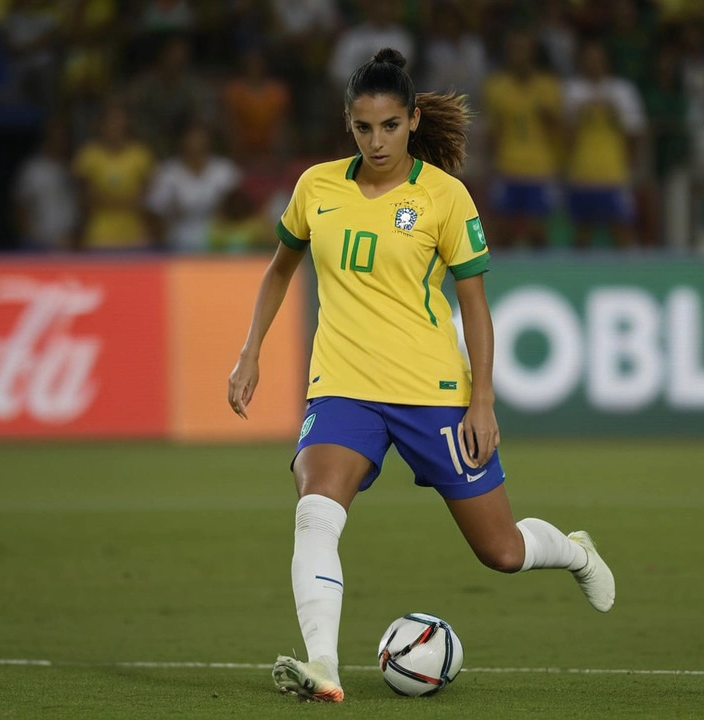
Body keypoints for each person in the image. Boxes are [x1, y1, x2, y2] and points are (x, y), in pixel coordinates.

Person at [226, 48, 615, 704]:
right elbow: (281, 267)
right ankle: (322, 663)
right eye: (362, 127)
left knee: (501, 552)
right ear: (347, 125)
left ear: (411, 120)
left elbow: (475, 303)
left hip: (432, 394)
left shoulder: (443, 195)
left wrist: (482, 399)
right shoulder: (315, 188)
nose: (376, 141)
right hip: (343, 386)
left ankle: (574, 551)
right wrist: (249, 351)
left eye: (388, 126)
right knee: (316, 509)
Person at [562, 41, 647, 249]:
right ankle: (576, 278)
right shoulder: (571, 91)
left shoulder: (623, 90)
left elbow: (634, 133)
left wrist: (631, 166)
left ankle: (631, 276)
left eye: (598, 58)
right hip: (581, 174)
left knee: (622, 229)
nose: (593, 63)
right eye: (589, 58)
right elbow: (564, 135)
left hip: (614, 174)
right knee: (582, 230)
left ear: (606, 60)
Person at [481, 30, 562, 249]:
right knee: (503, 231)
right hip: (507, 166)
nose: (520, 54)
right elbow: (493, 131)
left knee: (539, 232)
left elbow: (558, 130)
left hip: (540, 168)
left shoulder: (548, 86)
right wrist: (492, 165)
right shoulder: (496, 87)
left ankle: (543, 280)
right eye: (515, 49)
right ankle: (504, 279)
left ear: (533, 53)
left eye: (524, 49)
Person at [146, 123, 241, 253]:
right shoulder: (168, 173)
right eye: (191, 138)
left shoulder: (224, 170)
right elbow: (154, 211)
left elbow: (240, 207)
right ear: (182, 141)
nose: (196, 143)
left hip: (219, 240)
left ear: (208, 140)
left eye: (200, 138)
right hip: (177, 241)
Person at [72, 102, 156, 250]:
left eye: (119, 121)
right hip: (100, 234)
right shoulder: (89, 155)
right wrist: (127, 200)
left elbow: (148, 197)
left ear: (127, 124)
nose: (115, 126)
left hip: (134, 234)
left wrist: (108, 200)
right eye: (110, 121)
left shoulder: (140, 154)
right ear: (101, 125)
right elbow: (86, 198)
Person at [13, 117, 78, 251]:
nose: (59, 141)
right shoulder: (33, 169)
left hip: (71, 243)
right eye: (55, 137)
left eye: (63, 137)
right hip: (38, 244)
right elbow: (20, 208)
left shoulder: (76, 168)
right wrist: (33, 240)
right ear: (46, 138)